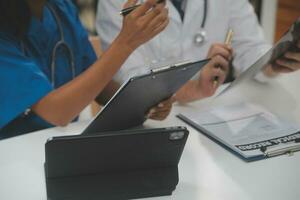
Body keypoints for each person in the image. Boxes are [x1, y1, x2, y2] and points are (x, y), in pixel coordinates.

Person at [0, 0, 171, 137]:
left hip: (61, 145)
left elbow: (98, 85)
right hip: (15, 155)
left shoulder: (61, 9)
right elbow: (55, 112)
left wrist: (145, 101)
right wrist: (126, 42)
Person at [96, 0, 300, 103]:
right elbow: (124, 79)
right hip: (148, 124)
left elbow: (251, 46)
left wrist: (272, 62)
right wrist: (192, 89)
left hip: (207, 113)